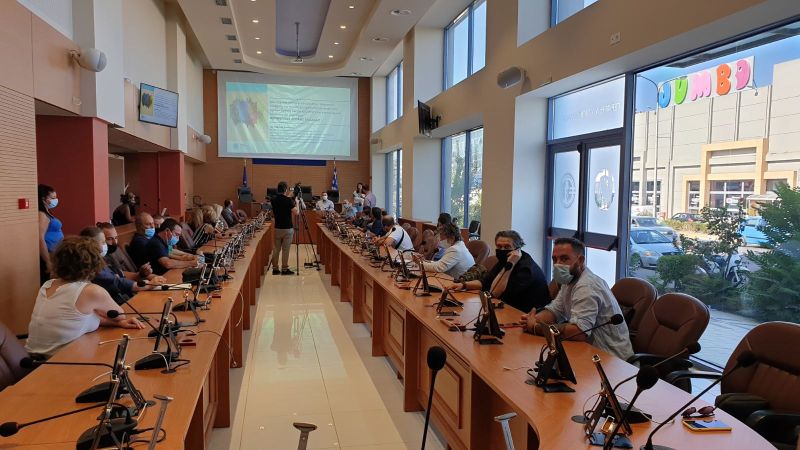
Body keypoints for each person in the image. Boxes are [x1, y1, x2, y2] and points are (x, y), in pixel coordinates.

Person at [25, 236, 144, 358]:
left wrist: (118, 323)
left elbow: (76, 319)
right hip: (60, 361)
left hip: (34, 358)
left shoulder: (47, 285)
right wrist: (118, 321)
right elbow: (120, 316)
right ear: (94, 264)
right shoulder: (91, 291)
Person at [520, 238, 633, 360]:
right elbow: (554, 311)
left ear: (580, 260)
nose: (557, 264)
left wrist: (536, 328)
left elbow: (579, 332)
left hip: (611, 360)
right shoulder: (569, 279)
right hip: (588, 353)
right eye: (554, 259)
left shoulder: (587, 286)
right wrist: (534, 319)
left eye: (564, 259)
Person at [449, 230, 550, 314]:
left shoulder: (526, 269)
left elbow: (495, 293)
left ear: (517, 249)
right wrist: (463, 285)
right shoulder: (504, 260)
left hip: (527, 315)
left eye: (507, 247)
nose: (502, 250)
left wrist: (509, 265)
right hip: (510, 309)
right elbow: (485, 282)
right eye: (499, 246)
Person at [79, 227, 163, 301]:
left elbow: (120, 275)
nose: (107, 245)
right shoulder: (91, 266)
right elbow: (116, 282)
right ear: (92, 245)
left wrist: (142, 276)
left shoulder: (101, 258)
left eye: (116, 238)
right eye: (104, 242)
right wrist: (147, 285)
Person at [97, 222, 164, 284]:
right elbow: (118, 281)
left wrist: (142, 274)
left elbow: (122, 274)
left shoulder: (113, 252)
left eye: (116, 238)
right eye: (109, 239)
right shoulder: (98, 260)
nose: (115, 242)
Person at [38, 184, 64, 285]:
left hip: (55, 253)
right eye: (52, 198)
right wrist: (48, 261)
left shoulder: (47, 213)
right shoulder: (42, 214)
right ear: (43, 199)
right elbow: (40, 238)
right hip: (48, 254)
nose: (55, 200)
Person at [271, 181, 298, 275]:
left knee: (276, 249)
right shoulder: (288, 201)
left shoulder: (273, 200)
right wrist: (297, 203)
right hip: (287, 228)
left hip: (277, 227)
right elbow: (296, 212)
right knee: (285, 250)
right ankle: (284, 269)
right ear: (286, 190)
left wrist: (288, 196)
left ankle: (275, 268)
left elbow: (281, 200)